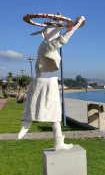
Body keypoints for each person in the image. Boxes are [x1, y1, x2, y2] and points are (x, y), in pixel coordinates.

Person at [18, 16, 85, 151]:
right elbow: (64, 39)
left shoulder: (45, 46)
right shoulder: (47, 46)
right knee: (53, 112)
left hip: (49, 81)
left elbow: (61, 39)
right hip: (46, 82)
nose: (58, 32)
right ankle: (53, 138)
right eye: (56, 31)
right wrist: (77, 25)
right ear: (48, 33)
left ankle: (58, 141)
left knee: (55, 113)